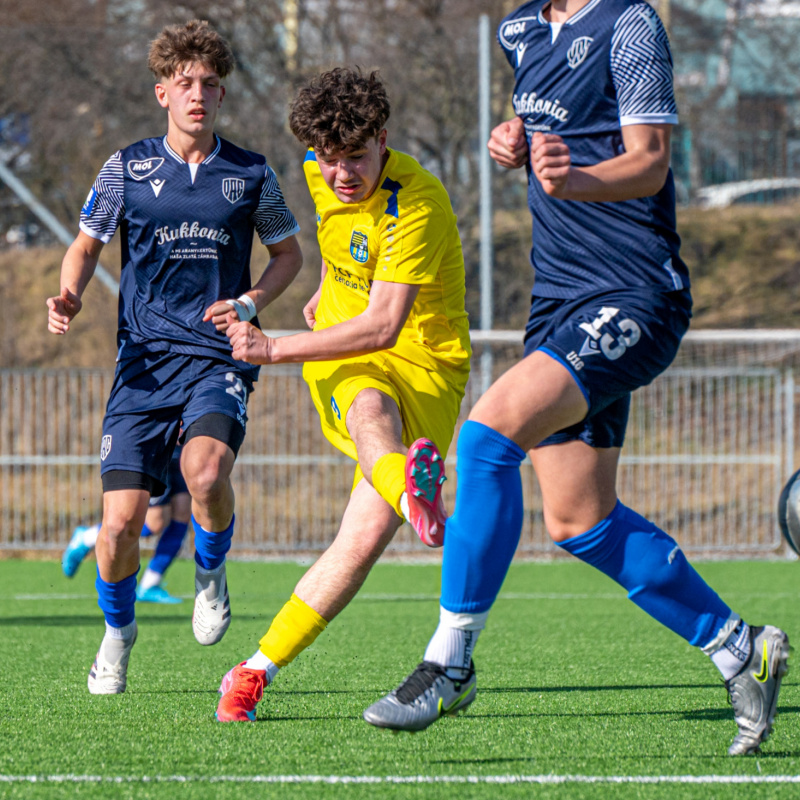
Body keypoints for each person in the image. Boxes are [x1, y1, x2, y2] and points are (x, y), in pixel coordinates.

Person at [362, 0, 789, 756]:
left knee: (486, 436)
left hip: (635, 293)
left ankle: (449, 662)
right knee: (578, 520)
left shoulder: (629, 24)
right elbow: (552, 125)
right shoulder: (518, 29)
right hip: (559, 300)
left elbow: (651, 157)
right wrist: (514, 139)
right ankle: (737, 648)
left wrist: (577, 179)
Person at [45, 20, 302, 694]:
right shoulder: (125, 168)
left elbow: (289, 255)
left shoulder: (250, 173)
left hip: (217, 357)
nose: (197, 95)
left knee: (207, 473)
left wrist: (250, 303)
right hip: (143, 368)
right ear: (162, 92)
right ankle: (117, 634)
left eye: (209, 84)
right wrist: (69, 294)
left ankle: (210, 573)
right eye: (184, 83)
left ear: (221, 96)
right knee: (119, 525)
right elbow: (85, 244)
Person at [213, 67, 471, 722]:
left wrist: (269, 348)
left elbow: (385, 325)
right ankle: (412, 490)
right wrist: (328, 286)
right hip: (346, 354)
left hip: (430, 368)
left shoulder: (418, 203)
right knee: (367, 408)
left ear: (383, 139)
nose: (340, 174)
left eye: (355, 157)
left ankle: (252, 669)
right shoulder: (317, 167)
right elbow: (333, 232)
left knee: (357, 544)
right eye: (328, 159)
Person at [62, 445, 190, 604]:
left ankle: (150, 583)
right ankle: (87, 537)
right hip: (159, 447)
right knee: (155, 523)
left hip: (182, 450)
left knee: (183, 511)